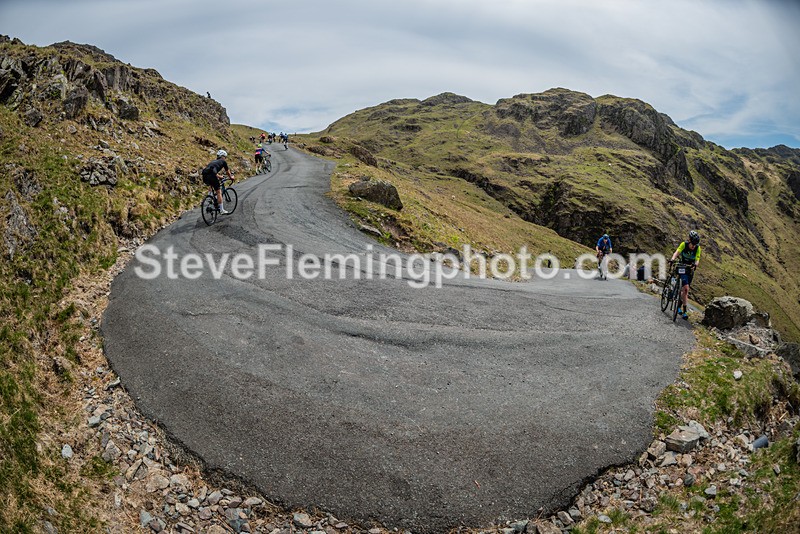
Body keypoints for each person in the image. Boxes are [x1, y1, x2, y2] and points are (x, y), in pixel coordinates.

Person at [670, 230, 702, 320]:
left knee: (685, 291)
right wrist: (672, 259)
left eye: (695, 245)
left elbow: (697, 258)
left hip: (690, 269)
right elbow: (677, 252)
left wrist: (695, 264)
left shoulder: (697, 248)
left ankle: (679, 307)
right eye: (692, 244)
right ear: (689, 241)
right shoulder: (684, 244)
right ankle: (684, 311)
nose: (693, 246)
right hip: (682, 266)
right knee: (686, 288)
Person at [202, 149, 235, 214]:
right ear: (223, 156)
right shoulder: (223, 161)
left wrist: (219, 177)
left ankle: (210, 197)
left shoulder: (213, 161)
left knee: (211, 184)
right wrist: (231, 177)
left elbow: (212, 171)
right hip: (212, 175)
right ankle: (222, 210)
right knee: (218, 192)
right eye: (225, 157)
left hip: (204, 175)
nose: (225, 159)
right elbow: (227, 171)